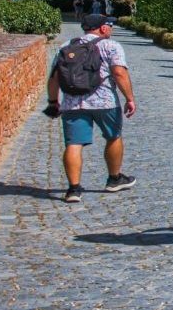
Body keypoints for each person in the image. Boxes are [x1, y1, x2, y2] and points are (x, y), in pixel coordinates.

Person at [44, 14, 138, 203]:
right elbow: (119, 73)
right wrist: (129, 98)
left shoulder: (66, 46)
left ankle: (73, 189)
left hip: (73, 103)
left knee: (73, 144)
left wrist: (53, 102)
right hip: (105, 102)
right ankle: (114, 178)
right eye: (109, 25)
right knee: (113, 136)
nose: (110, 28)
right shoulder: (111, 46)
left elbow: (54, 77)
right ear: (102, 28)